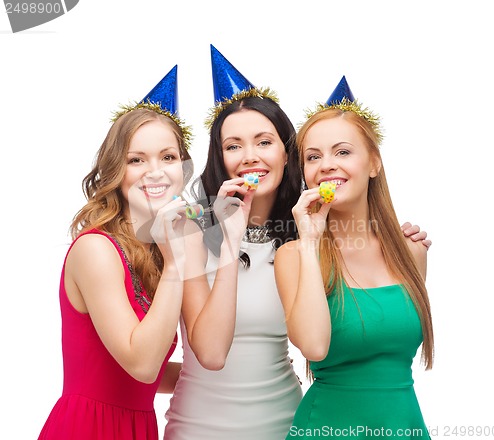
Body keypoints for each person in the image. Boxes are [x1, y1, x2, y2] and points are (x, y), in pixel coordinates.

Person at [162, 47, 430, 440]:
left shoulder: (302, 240)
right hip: (200, 428)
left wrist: (390, 242)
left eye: (264, 142)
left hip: (283, 421)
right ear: (219, 157)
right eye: (233, 145)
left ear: (288, 157)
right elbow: (210, 354)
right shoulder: (192, 233)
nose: (249, 157)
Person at [38, 66, 194, 440]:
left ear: (183, 169)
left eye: (168, 157)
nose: (154, 172)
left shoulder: (156, 250)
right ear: (115, 170)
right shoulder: (96, 249)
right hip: (87, 429)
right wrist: (176, 263)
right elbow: (141, 363)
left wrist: (245, 371)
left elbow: (144, 377)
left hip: (136, 426)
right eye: (136, 159)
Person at [274, 76, 433, 439]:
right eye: (313, 157)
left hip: (404, 425)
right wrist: (311, 240)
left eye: (342, 152)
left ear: (374, 163)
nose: (327, 164)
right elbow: (313, 346)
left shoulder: (411, 252)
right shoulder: (294, 256)